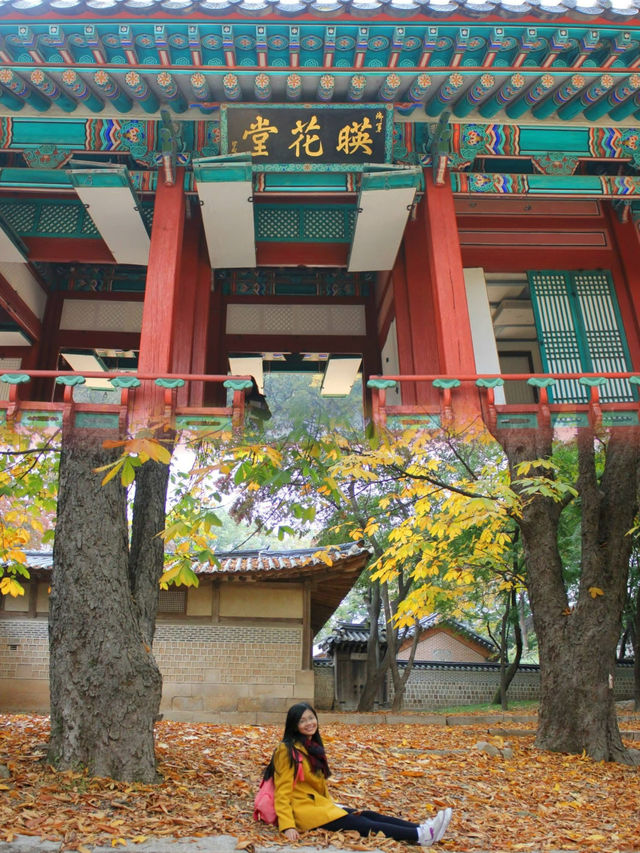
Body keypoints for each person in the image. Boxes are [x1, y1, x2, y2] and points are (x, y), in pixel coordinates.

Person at [262, 702, 453, 848]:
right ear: (294, 726)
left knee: (369, 814)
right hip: (304, 812)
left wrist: (331, 804)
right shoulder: (286, 750)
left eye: (311, 718)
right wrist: (287, 825)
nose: (309, 723)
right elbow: (283, 791)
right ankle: (421, 837)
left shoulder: (312, 747)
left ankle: (420, 828)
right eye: (302, 721)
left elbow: (317, 786)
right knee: (360, 823)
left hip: (317, 805)